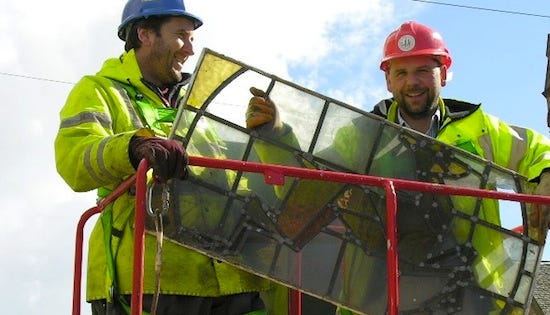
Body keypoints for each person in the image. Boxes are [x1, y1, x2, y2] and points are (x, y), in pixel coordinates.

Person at [245, 21, 550, 314]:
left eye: (423, 70)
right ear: (389, 81)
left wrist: (546, 175)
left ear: (443, 74)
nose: (412, 82)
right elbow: (309, 184)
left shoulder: (479, 129)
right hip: (384, 297)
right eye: (401, 72)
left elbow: (537, 150)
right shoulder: (363, 136)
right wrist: (275, 133)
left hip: (471, 296)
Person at [55, 0, 271, 314]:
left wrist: (272, 134)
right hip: (150, 282)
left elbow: (236, 178)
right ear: (144, 34)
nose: (190, 50)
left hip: (232, 280)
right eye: (181, 35)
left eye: (192, 39)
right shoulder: (100, 91)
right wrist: (131, 148)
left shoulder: (199, 105)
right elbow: (74, 160)